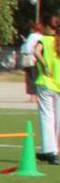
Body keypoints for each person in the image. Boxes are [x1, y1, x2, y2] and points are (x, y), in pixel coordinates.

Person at [24, 17, 59, 162]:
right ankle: (56, 149)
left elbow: (36, 52)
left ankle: (49, 150)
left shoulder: (44, 40)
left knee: (46, 116)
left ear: (47, 27)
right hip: (58, 83)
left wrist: (44, 64)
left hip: (46, 81)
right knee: (58, 119)